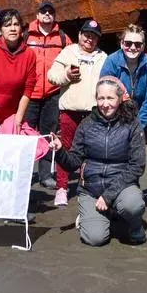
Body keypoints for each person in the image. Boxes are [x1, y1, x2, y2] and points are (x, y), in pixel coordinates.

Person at [48, 77, 147, 246]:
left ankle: (135, 225)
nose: (105, 104)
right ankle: (93, 216)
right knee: (95, 239)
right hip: (91, 189)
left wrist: (108, 196)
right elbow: (73, 162)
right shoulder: (87, 125)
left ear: (120, 99)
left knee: (133, 205)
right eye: (101, 98)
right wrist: (59, 152)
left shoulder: (132, 124)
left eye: (110, 98)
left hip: (121, 185)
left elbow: (137, 166)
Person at [47, 19, 108, 207]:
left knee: (92, 150)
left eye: (94, 37)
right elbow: (52, 76)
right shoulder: (68, 52)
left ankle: (86, 186)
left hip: (93, 112)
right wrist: (66, 75)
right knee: (65, 148)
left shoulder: (103, 57)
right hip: (70, 110)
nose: (90, 39)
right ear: (80, 35)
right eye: (87, 35)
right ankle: (62, 188)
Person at [24, 1, 71, 189]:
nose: (47, 15)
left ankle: (45, 174)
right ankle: (24, 173)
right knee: (26, 134)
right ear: (37, 15)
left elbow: (73, 57)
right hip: (30, 93)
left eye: (50, 12)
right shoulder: (26, 35)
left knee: (48, 134)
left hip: (52, 94)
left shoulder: (61, 38)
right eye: (43, 11)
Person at [99, 24, 147, 129]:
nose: (132, 48)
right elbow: (105, 95)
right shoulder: (111, 61)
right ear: (122, 44)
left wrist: (138, 127)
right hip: (115, 113)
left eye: (137, 44)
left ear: (143, 46)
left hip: (140, 113)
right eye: (128, 43)